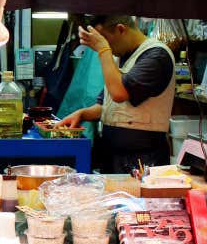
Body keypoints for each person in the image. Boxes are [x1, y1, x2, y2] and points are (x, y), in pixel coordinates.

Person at [56, 15, 175, 173]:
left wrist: (104, 50)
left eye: (104, 40)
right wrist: (82, 114)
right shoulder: (121, 58)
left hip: (143, 159)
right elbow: (106, 105)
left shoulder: (156, 56)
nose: (105, 47)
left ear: (121, 29)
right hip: (113, 156)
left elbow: (119, 93)